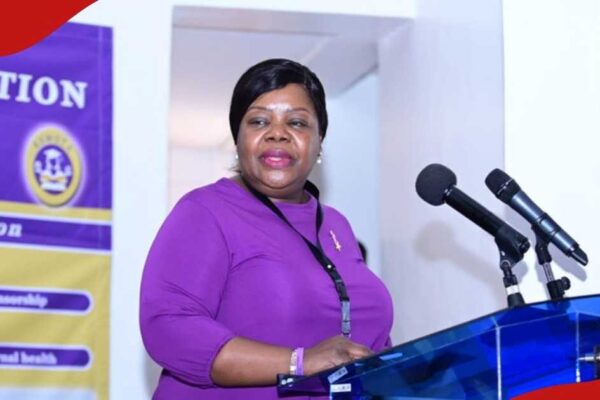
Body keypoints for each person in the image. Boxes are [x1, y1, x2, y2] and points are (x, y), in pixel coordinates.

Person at [140, 58, 393, 399]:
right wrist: (299, 362)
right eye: (259, 121)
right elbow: (170, 328)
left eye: (297, 122)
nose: (278, 133)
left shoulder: (336, 225)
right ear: (238, 138)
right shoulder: (205, 211)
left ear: (319, 141)